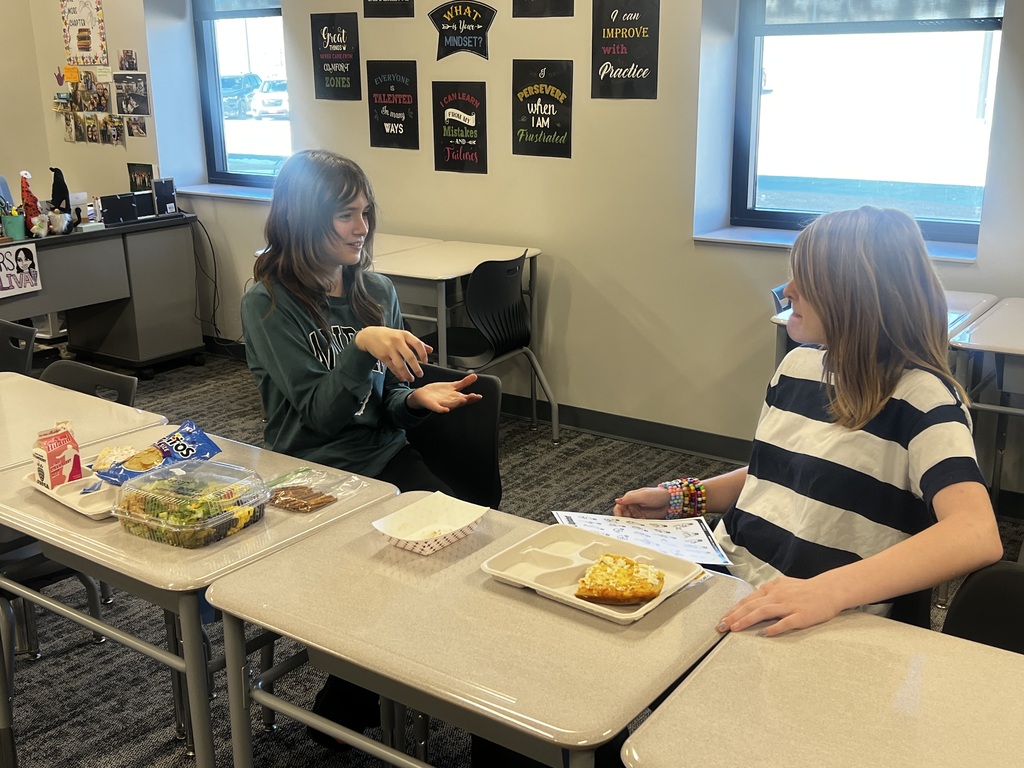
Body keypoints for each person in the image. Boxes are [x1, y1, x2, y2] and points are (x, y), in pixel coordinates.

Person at [615, 206, 1003, 638]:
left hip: (806, 616)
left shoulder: (924, 400)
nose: (787, 289)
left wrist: (829, 591)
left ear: (852, 294)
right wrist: (682, 498)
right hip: (728, 580)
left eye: (805, 280)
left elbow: (975, 533)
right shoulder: (798, 366)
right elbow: (782, 473)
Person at [240, 149, 483, 750]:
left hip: (382, 458)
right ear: (303, 219)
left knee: (459, 552)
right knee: (382, 580)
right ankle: (355, 692)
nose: (362, 228)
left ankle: (356, 691)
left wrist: (414, 401)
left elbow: (386, 402)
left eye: (366, 213)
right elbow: (320, 422)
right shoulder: (267, 304)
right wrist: (362, 347)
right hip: (309, 475)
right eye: (345, 216)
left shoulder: (375, 289)